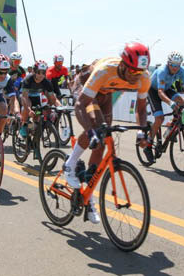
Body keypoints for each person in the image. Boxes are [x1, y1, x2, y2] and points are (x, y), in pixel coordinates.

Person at [63, 42, 152, 224]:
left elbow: (141, 109)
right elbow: (81, 104)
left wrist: (142, 134)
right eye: (133, 72)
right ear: (122, 64)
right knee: (95, 128)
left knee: (104, 139)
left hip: (105, 92)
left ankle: (88, 199)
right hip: (86, 87)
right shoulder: (105, 70)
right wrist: (90, 132)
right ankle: (70, 164)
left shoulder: (143, 77)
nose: (136, 77)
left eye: (140, 72)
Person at [143, 51, 184, 163]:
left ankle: (171, 127)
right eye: (173, 65)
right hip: (153, 90)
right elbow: (160, 93)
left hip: (166, 88)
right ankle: (148, 145)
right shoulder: (162, 71)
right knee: (159, 118)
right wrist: (171, 103)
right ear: (168, 63)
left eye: (177, 65)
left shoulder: (182, 71)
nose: (175, 68)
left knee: (181, 101)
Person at [19, 60, 61, 140]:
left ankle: (31, 129)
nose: (41, 75)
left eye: (43, 73)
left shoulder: (46, 82)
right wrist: (29, 110)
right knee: (27, 110)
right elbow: (25, 98)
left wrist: (57, 108)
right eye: (39, 72)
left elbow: (52, 98)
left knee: (37, 115)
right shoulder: (28, 79)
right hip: (26, 98)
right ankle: (23, 125)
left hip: (36, 98)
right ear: (34, 71)